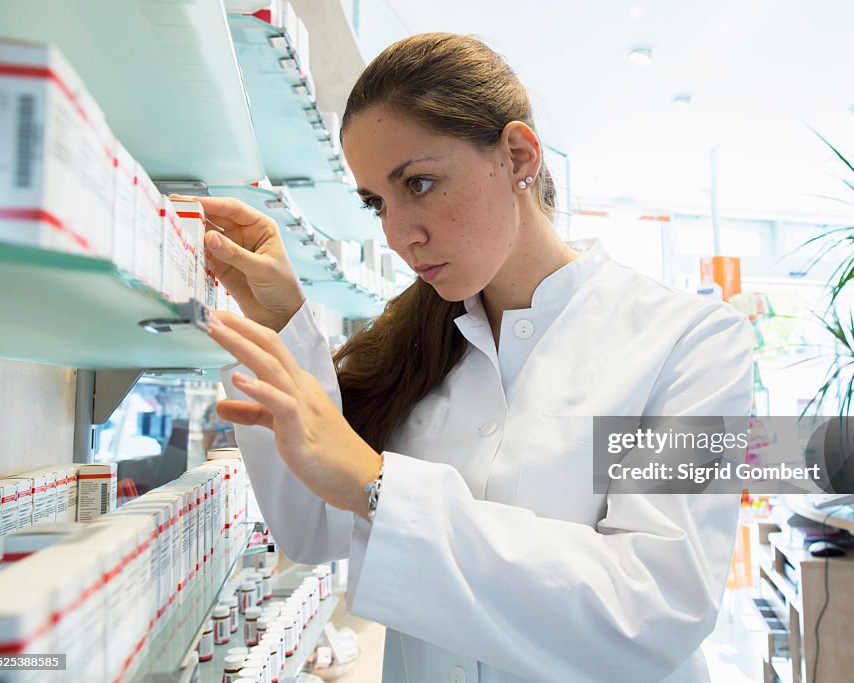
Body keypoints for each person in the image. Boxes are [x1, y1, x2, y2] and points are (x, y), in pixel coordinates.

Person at [192, 32, 753, 683]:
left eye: (421, 183)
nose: (399, 233)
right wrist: (279, 323)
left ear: (517, 156)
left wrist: (379, 484)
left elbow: (656, 609)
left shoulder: (691, 342)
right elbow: (312, 528)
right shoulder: (416, 347)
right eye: (377, 201)